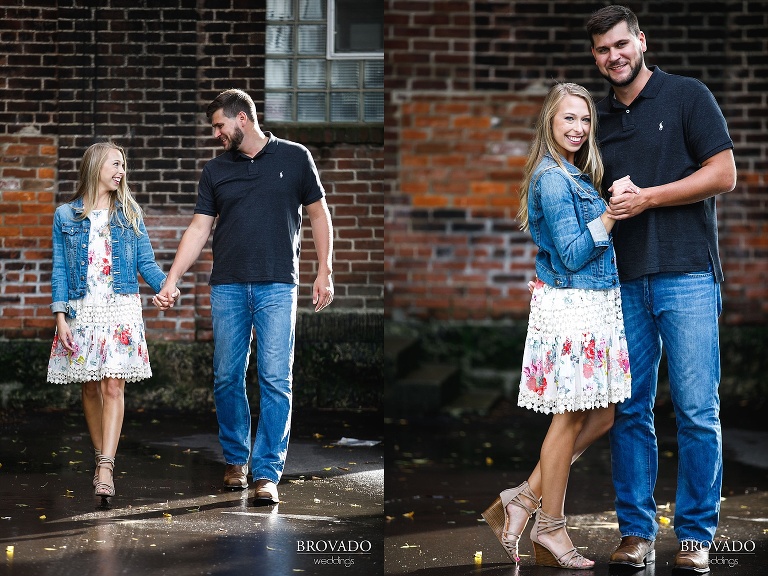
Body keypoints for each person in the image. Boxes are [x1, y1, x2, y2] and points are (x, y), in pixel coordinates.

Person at [586, 5, 737, 573]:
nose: (613, 56)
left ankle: (696, 535)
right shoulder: (597, 122)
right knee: (630, 412)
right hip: (622, 284)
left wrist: (647, 196)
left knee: (698, 411)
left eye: (621, 44)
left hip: (688, 275)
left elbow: (722, 174)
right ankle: (636, 533)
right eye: (602, 50)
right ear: (595, 56)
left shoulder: (687, 97)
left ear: (641, 42)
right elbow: (582, 204)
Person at [155, 89, 334, 505]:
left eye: (219, 125)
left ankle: (266, 472)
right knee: (226, 377)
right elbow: (199, 228)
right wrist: (172, 278)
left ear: (241, 119)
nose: (215, 133)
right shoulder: (215, 170)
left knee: (276, 379)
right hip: (229, 286)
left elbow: (319, 214)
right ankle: (237, 461)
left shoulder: (294, 157)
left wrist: (324, 269)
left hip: (277, 284)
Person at [482, 82, 631, 569]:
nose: (578, 128)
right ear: (550, 120)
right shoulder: (552, 178)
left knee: (605, 414)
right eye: (569, 118)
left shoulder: (574, 173)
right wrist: (612, 214)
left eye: (585, 120)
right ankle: (550, 526)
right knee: (567, 419)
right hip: (572, 310)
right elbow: (570, 254)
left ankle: (524, 496)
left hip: (594, 306)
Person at [47, 141, 178, 502]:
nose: (121, 171)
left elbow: (146, 263)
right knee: (89, 387)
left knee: (113, 388)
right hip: (81, 310)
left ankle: (105, 466)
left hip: (120, 309)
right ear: (95, 168)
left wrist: (166, 286)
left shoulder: (129, 214)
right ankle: (100, 453)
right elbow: (59, 270)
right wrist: (61, 317)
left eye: (123, 165)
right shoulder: (65, 216)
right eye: (115, 164)